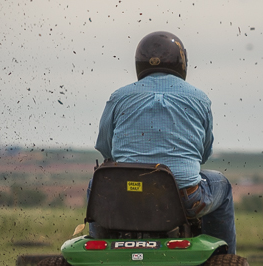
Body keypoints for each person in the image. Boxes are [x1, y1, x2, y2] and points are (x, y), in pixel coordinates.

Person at [92, 31, 236, 254]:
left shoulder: (119, 97)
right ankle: (224, 261)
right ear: (182, 63)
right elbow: (203, 154)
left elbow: (105, 147)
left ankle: (100, 250)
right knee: (222, 186)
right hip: (185, 198)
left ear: (139, 63)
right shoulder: (199, 98)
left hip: (126, 196)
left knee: (98, 182)